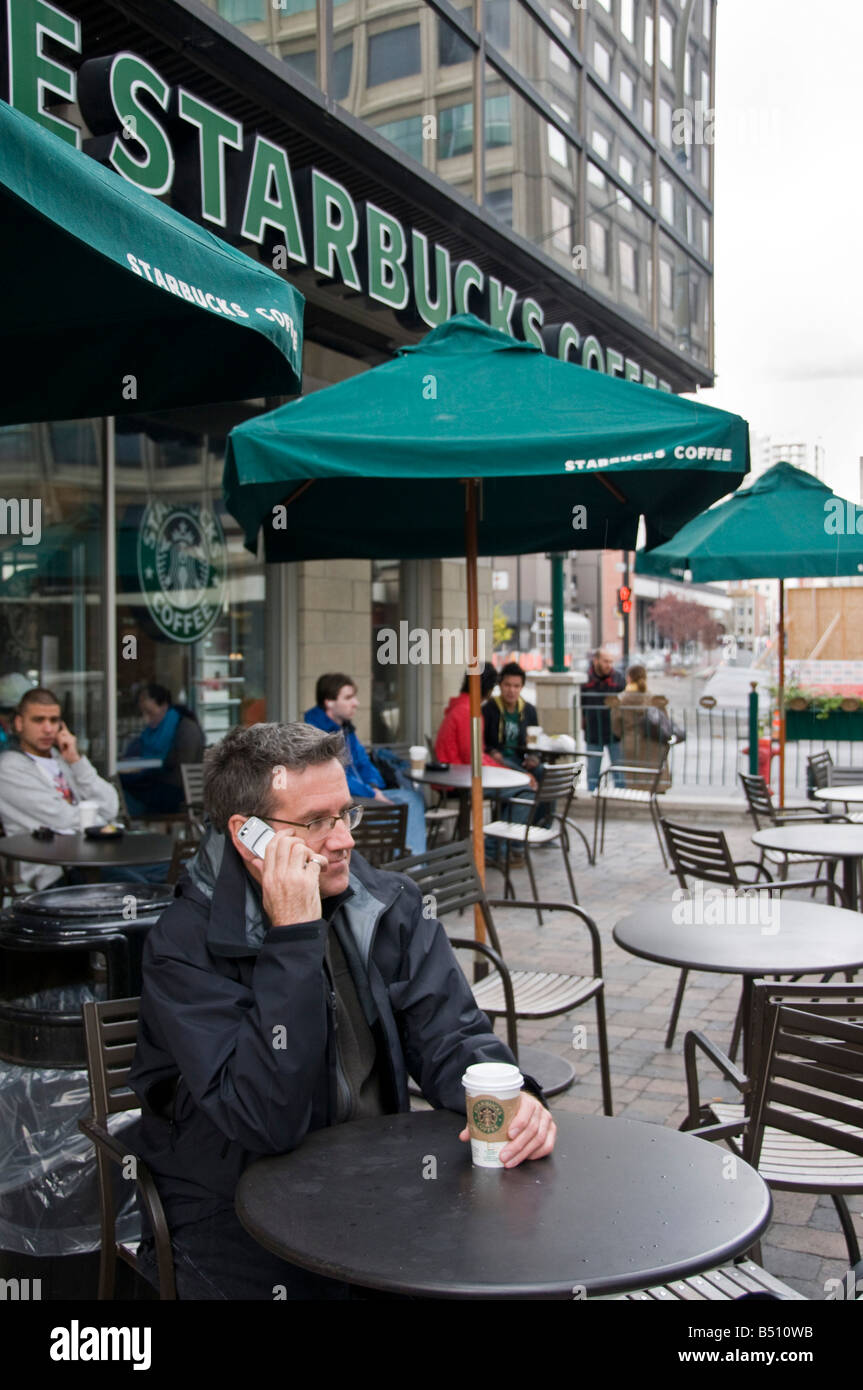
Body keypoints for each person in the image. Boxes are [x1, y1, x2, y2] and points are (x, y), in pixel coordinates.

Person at [129, 721, 555, 1299]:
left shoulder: (388, 903)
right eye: (315, 823)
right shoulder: (182, 946)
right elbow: (263, 1117)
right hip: (233, 1203)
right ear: (247, 834)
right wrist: (294, 936)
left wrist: (515, 1098)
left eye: (344, 814)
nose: (343, 839)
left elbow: (451, 1033)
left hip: (374, 1179)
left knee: (522, 1273)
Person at [0, 687, 119, 889]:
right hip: (54, 872)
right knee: (145, 889)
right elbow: (61, 818)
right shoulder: (9, 768)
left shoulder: (61, 758)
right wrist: (103, 825)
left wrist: (76, 760)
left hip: (92, 858)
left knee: (174, 872)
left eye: (54, 720)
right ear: (19, 723)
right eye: (39, 720)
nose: (48, 729)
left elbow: (110, 806)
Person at [304, 673, 426, 854]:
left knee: (412, 798)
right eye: (348, 697)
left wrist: (373, 785)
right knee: (408, 805)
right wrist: (372, 793)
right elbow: (336, 778)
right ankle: (411, 865)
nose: (356, 703)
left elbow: (362, 761)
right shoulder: (318, 734)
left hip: (365, 793)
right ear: (329, 702)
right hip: (344, 803)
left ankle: (405, 860)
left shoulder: (345, 728)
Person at [120, 683, 204, 816]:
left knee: (125, 790)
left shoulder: (185, 728)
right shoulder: (153, 731)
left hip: (176, 789)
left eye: (150, 713)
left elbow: (181, 762)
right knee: (121, 782)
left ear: (164, 706)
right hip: (163, 783)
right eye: (142, 713)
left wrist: (147, 767)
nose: (146, 719)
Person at [608, 664, 673, 792]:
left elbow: (615, 725)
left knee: (634, 785)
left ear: (629, 678)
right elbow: (664, 722)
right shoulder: (653, 699)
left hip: (631, 743)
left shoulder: (622, 700)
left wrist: (624, 735)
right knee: (653, 784)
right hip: (653, 744)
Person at [434, 663, 499, 766]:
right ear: (489, 689)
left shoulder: (462, 706)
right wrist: (503, 771)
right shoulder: (468, 712)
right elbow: (472, 758)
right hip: (457, 776)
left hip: (454, 772)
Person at [582, 647, 626, 791]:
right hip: (593, 731)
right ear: (596, 661)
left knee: (619, 772)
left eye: (611, 662)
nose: (609, 665)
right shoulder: (585, 679)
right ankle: (592, 799)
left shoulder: (618, 678)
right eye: (606, 661)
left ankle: (621, 799)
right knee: (592, 773)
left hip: (615, 732)